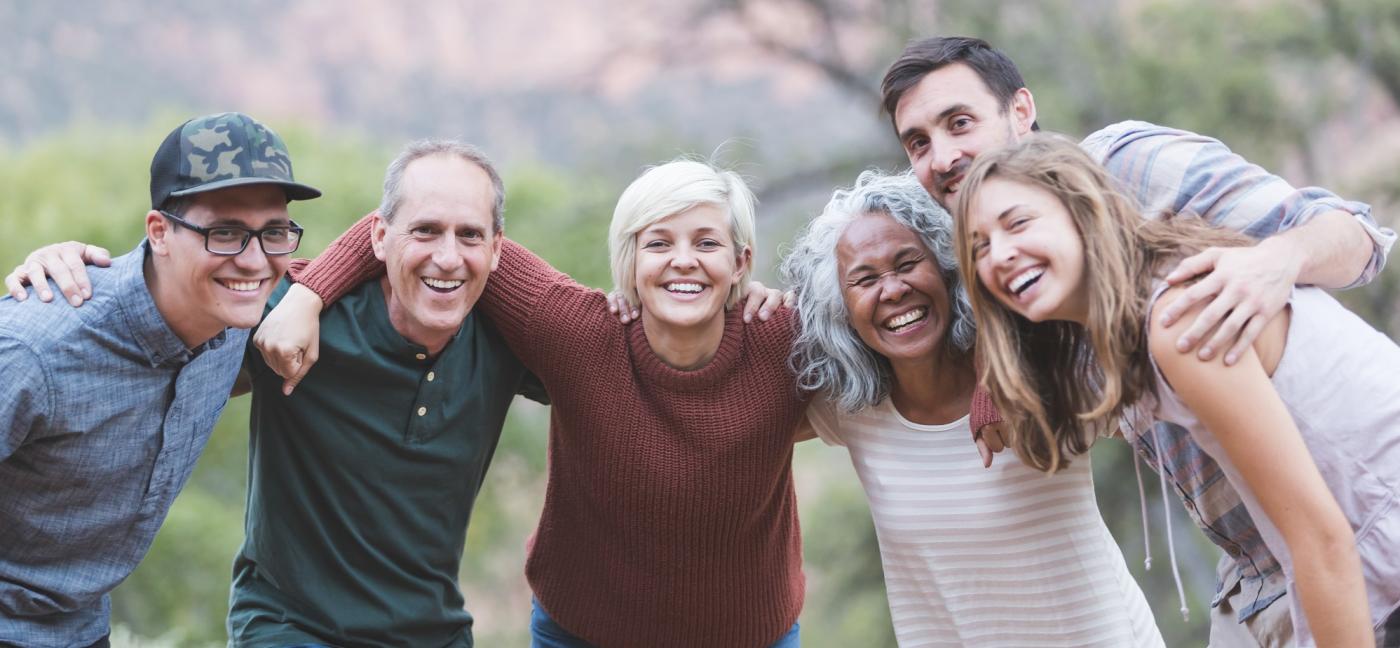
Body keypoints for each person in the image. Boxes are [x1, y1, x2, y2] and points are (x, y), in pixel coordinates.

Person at [881, 36, 1395, 644]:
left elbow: (1360, 235)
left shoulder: (1147, 224)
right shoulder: (1043, 289)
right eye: (918, 143)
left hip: (1361, 526)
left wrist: (1276, 260)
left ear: (1022, 111)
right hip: (1265, 558)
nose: (941, 157)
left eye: (959, 122)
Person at [8, 139, 551, 647]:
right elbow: (174, 294)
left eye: (471, 235)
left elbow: (599, 345)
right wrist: (68, 280)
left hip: (437, 629)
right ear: (380, 238)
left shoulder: (507, 335)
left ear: (498, 247)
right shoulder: (272, 315)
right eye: (425, 230)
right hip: (289, 627)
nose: (448, 256)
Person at [255, 159, 806, 647]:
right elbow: (410, 229)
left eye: (707, 243)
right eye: (659, 242)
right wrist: (310, 293)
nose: (683, 261)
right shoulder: (580, 334)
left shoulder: (786, 340)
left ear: (741, 261)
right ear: (628, 258)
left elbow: (872, 314)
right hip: (580, 632)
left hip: (751, 636)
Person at [784, 170, 1163, 646]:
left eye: (907, 263)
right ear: (840, 309)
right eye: (865, 279)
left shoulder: (1033, 370)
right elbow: (727, 424)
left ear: (948, 267)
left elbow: (1159, 385)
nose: (894, 289)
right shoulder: (853, 411)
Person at [0, 112, 320, 648]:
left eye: (274, 232)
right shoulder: (37, 347)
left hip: (81, 629)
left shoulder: (238, 318)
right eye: (224, 233)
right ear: (159, 232)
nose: (253, 260)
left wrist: (312, 294)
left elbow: (400, 245)